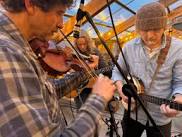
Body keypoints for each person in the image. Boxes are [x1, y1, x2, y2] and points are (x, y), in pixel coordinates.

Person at [0, 0, 117, 137]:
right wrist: (98, 99)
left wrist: (85, 70)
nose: (61, 23)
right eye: (59, 13)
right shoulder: (6, 54)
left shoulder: (20, 47)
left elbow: (48, 92)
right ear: (30, 4)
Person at [112, 2, 182, 137]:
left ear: (164, 27)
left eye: (156, 29)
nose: (150, 36)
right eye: (144, 30)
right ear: (138, 29)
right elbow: (117, 72)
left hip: (160, 118)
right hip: (132, 112)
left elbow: (180, 81)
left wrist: (179, 99)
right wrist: (122, 92)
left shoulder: (178, 48)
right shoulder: (128, 47)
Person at [74, 30, 112, 108]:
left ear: (88, 42)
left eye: (84, 44)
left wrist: (98, 66)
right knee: (81, 111)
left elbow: (107, 71)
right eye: (79, 44)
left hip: (92, 88)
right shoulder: (74, 53)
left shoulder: (95, 52)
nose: (82, 47)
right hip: (78, 88)